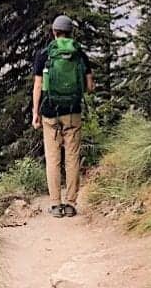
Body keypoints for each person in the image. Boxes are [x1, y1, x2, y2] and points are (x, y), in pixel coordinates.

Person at [31, 15, 94, 218]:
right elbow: (90, 87)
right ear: (70, 33)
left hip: (50, 113)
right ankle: (70, 203)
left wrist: (35, 113)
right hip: (73, 113)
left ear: (54, 32)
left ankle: (55, 204)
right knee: (72, 159)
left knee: (53, 159)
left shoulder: (44, 55)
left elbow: (38, 86)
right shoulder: (80, 55)